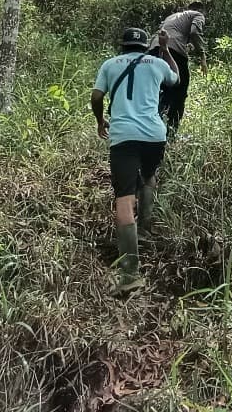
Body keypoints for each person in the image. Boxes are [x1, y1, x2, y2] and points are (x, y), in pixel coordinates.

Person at [91, 27, 180, 294]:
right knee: (149, 175)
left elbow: (96, 96)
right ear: (144, 47)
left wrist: (99, 120)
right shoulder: (157, 63)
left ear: (123, 45)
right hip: (154, 135)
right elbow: (175, 79)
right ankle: (145, 230)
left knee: (124, 200)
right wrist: (164, 49)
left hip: (124, 137)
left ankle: (130, 274)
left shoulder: (110, 64)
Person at [155, 2, 206, 134]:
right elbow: (194, 32)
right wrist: (202, 55)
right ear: (200, 10)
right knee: (179, 91)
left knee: (157, 90)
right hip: (172, 50)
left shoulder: (172, 17)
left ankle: (153, 127)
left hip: (154, 49)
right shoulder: (198, 14)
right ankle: (171, 133)